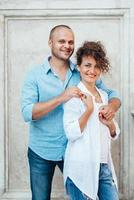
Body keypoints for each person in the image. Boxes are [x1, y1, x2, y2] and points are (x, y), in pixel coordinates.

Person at [21, 25, 121, 200]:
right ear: (50, 42)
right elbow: (27, 112)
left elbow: (112, 95)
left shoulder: (82, 70)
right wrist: (61, 97)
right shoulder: (34, 75)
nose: (67, 45)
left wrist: (111, 108)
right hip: (42, 150)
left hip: (75, 151)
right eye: (61, 41)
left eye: (70, 42)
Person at [63, 41, 120, 200]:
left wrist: (110, 124)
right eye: (87, 65)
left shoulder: (104, 95)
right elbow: (71, 133)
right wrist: (88, 110)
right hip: (81, 167)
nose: (92, 71)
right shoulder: (74, 95)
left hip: (103, 166)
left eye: (96, 66)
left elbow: (114, 132)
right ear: (79, 67)